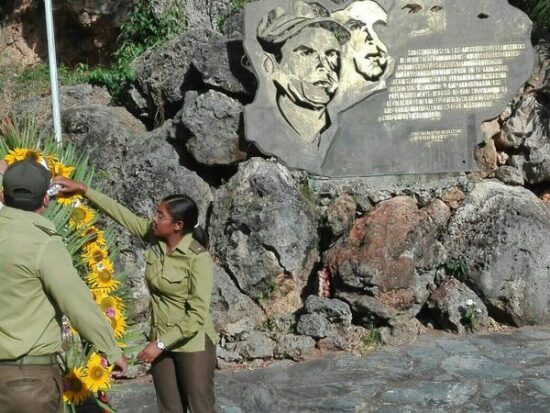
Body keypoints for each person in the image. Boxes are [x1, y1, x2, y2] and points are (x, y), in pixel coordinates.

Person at [54, 176, 218, 413]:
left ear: (178, 225)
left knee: (200, 407)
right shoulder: (155, 239)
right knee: (169, 408)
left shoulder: (197, 258)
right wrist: (84, 190)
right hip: (159, 339)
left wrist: (160, 344)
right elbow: (121, 214)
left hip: (192, 344)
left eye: (161, 215)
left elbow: (197, 316)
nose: (154, 219)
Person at [0, 159, 128, 413]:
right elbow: (77, 303)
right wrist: (111, 350)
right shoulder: (42, 244)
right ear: (45, 200)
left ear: (3, 196)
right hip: (26, 381)